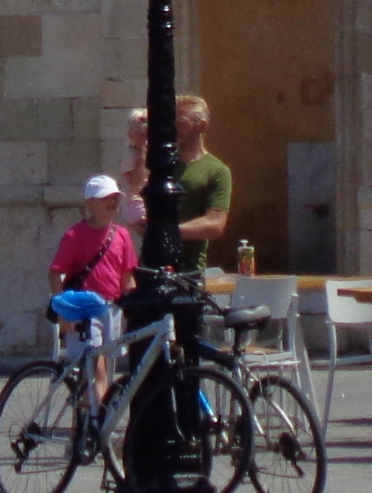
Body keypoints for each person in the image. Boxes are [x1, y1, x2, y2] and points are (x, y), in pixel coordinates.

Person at [47, 174, 137, 395]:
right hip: (84, 311)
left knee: (106, 369)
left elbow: (127, 278)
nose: (112, 203)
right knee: (97, 371)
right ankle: (97, 422)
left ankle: (87, 422)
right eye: (105, 198)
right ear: (90, 203)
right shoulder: (75, 235)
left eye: (115, 197)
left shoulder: (122, 235)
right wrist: (63, 313)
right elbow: (55, 273)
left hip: (112, 310)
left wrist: (134, 308)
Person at [124, 98, 233, 270]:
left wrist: (168, 231)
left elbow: (215, 225)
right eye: (170, 122)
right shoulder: (159, 162)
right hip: (150, 265)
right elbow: (134, 191)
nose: (173, 129)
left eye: (181, 123)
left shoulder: (217, 170)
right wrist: (139, 144)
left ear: (202, 126)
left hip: (188, 269)